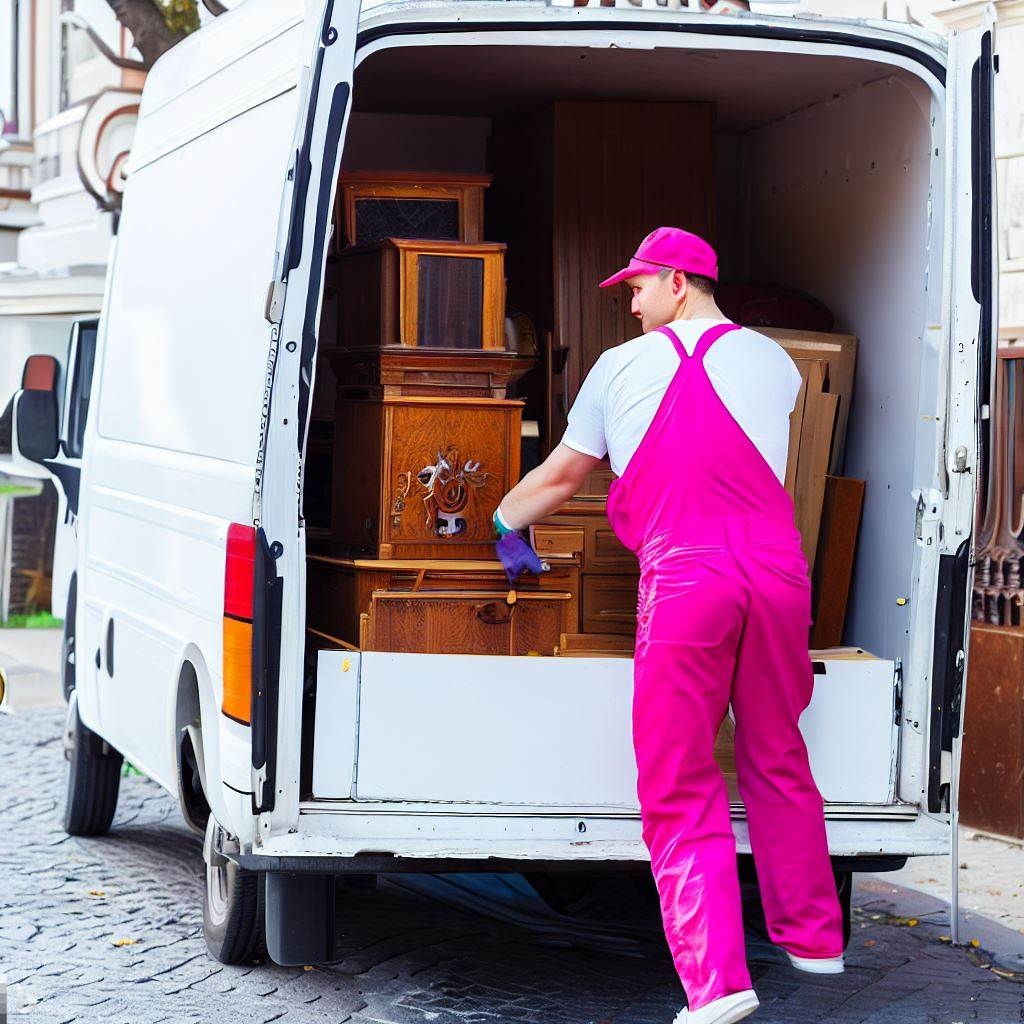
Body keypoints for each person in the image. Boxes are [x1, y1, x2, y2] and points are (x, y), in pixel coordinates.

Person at [493, 227, 845, 1024]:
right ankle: (814, 939)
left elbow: (562, 475)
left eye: (639, 289)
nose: (633, 304)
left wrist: (505, 522)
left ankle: (717, 984)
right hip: (779, 574)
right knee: (777, 749)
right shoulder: (777, 363)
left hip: (690, 580)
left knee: (679, 777)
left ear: (679, 282)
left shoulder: (618, 368)